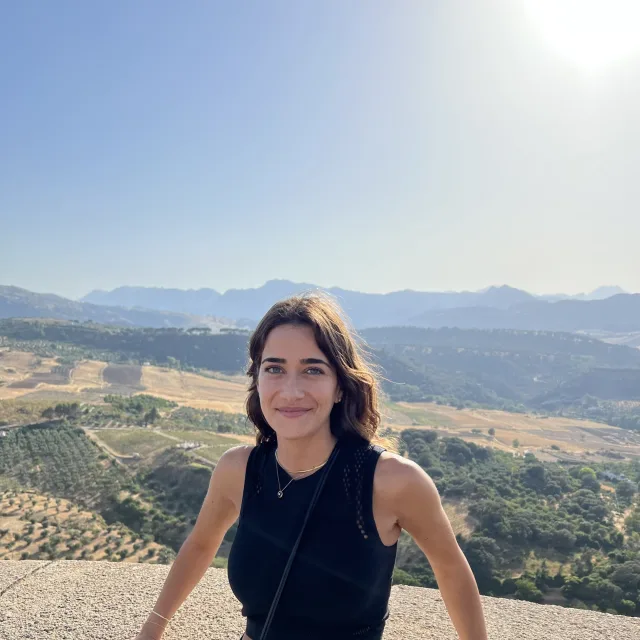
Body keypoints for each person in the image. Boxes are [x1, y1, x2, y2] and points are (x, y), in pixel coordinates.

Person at [135, 294, 488, 640]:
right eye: (274, 368)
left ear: (340, 386)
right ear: (256, 379)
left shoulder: (391, 480)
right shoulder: (237, 470)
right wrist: (152, 629)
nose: (290, 391)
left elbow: (451, 569)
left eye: (312, 370)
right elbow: (200, 545)